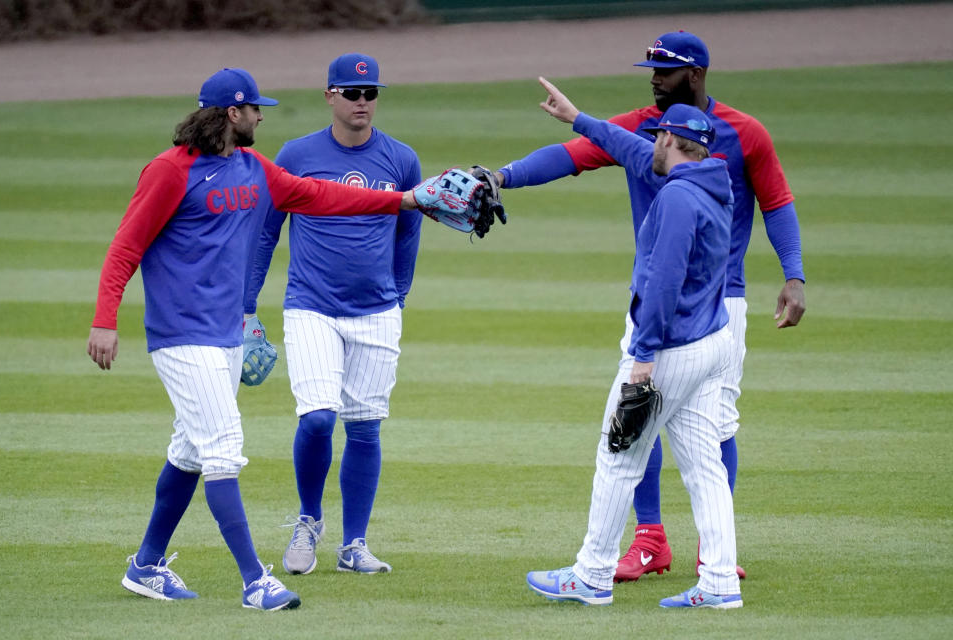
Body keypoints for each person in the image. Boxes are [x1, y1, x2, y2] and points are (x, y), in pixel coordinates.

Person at [86, 67, 431, 611]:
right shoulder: (169, 171)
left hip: (223, 336)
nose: (261, 117)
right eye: (254, 109)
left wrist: (406, 201)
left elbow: (322, 195)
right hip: (181, 336)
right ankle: (256, 581)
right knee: (224, 450)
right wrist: (105, 320)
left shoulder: (252, 167)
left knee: (189, 452)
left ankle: (146, 565)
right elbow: (125, 247)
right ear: (231, 114)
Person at [489, 31, 805, 581]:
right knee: (690, 436)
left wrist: (793, 274)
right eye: (651, 70)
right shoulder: (654, 137)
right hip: (691, 317)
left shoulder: (738, 137)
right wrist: (503, 175)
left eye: (665, 71)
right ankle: (660, 543)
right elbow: (571, 157)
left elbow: (776, 202)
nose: (654, 79)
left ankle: (699, 560)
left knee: (684, 429)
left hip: (702, 308)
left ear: (697, 75)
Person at [526, 77, 742, 608]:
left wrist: (642, 358)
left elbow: (661, 284)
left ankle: (591, 575)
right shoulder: (715, 182)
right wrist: (579, 120)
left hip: (669, 349)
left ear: (668, 141)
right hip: (713, 343)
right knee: (704, 466)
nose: (650, 148)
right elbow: (630, 148)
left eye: (656, 141)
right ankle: (719, 583)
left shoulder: (676, 200)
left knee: (618, 456)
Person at [244, 53, 421, 576]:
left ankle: (355, 545)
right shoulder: (297, 154)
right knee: (319, 417)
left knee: (365, 428)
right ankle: (308, 520)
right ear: (330, 97)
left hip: (377, 312)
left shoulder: (401, 159)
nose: (363, 102)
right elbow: (265, 231)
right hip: (311, 307)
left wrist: (399, 295)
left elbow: (408, 235)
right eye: (351, 93)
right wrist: (248, 305)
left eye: (370, 94)